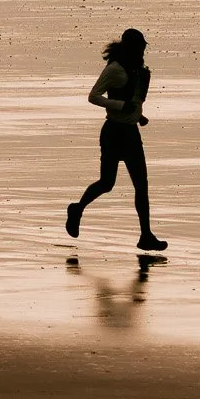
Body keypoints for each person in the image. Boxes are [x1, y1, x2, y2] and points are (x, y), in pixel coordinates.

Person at [65, 27, 167, 252]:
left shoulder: (139, 70)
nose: (143, 52)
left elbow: (133, 99)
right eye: (140, 48)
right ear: (130, 48)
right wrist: (121, 106)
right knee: (107, 183)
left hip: (131, 133)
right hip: (112, 132)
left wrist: (138, 116)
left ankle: (146, 236)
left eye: (143, 48)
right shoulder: (114, 69)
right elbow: (93, 96)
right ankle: (77, 208)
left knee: (141, 186)